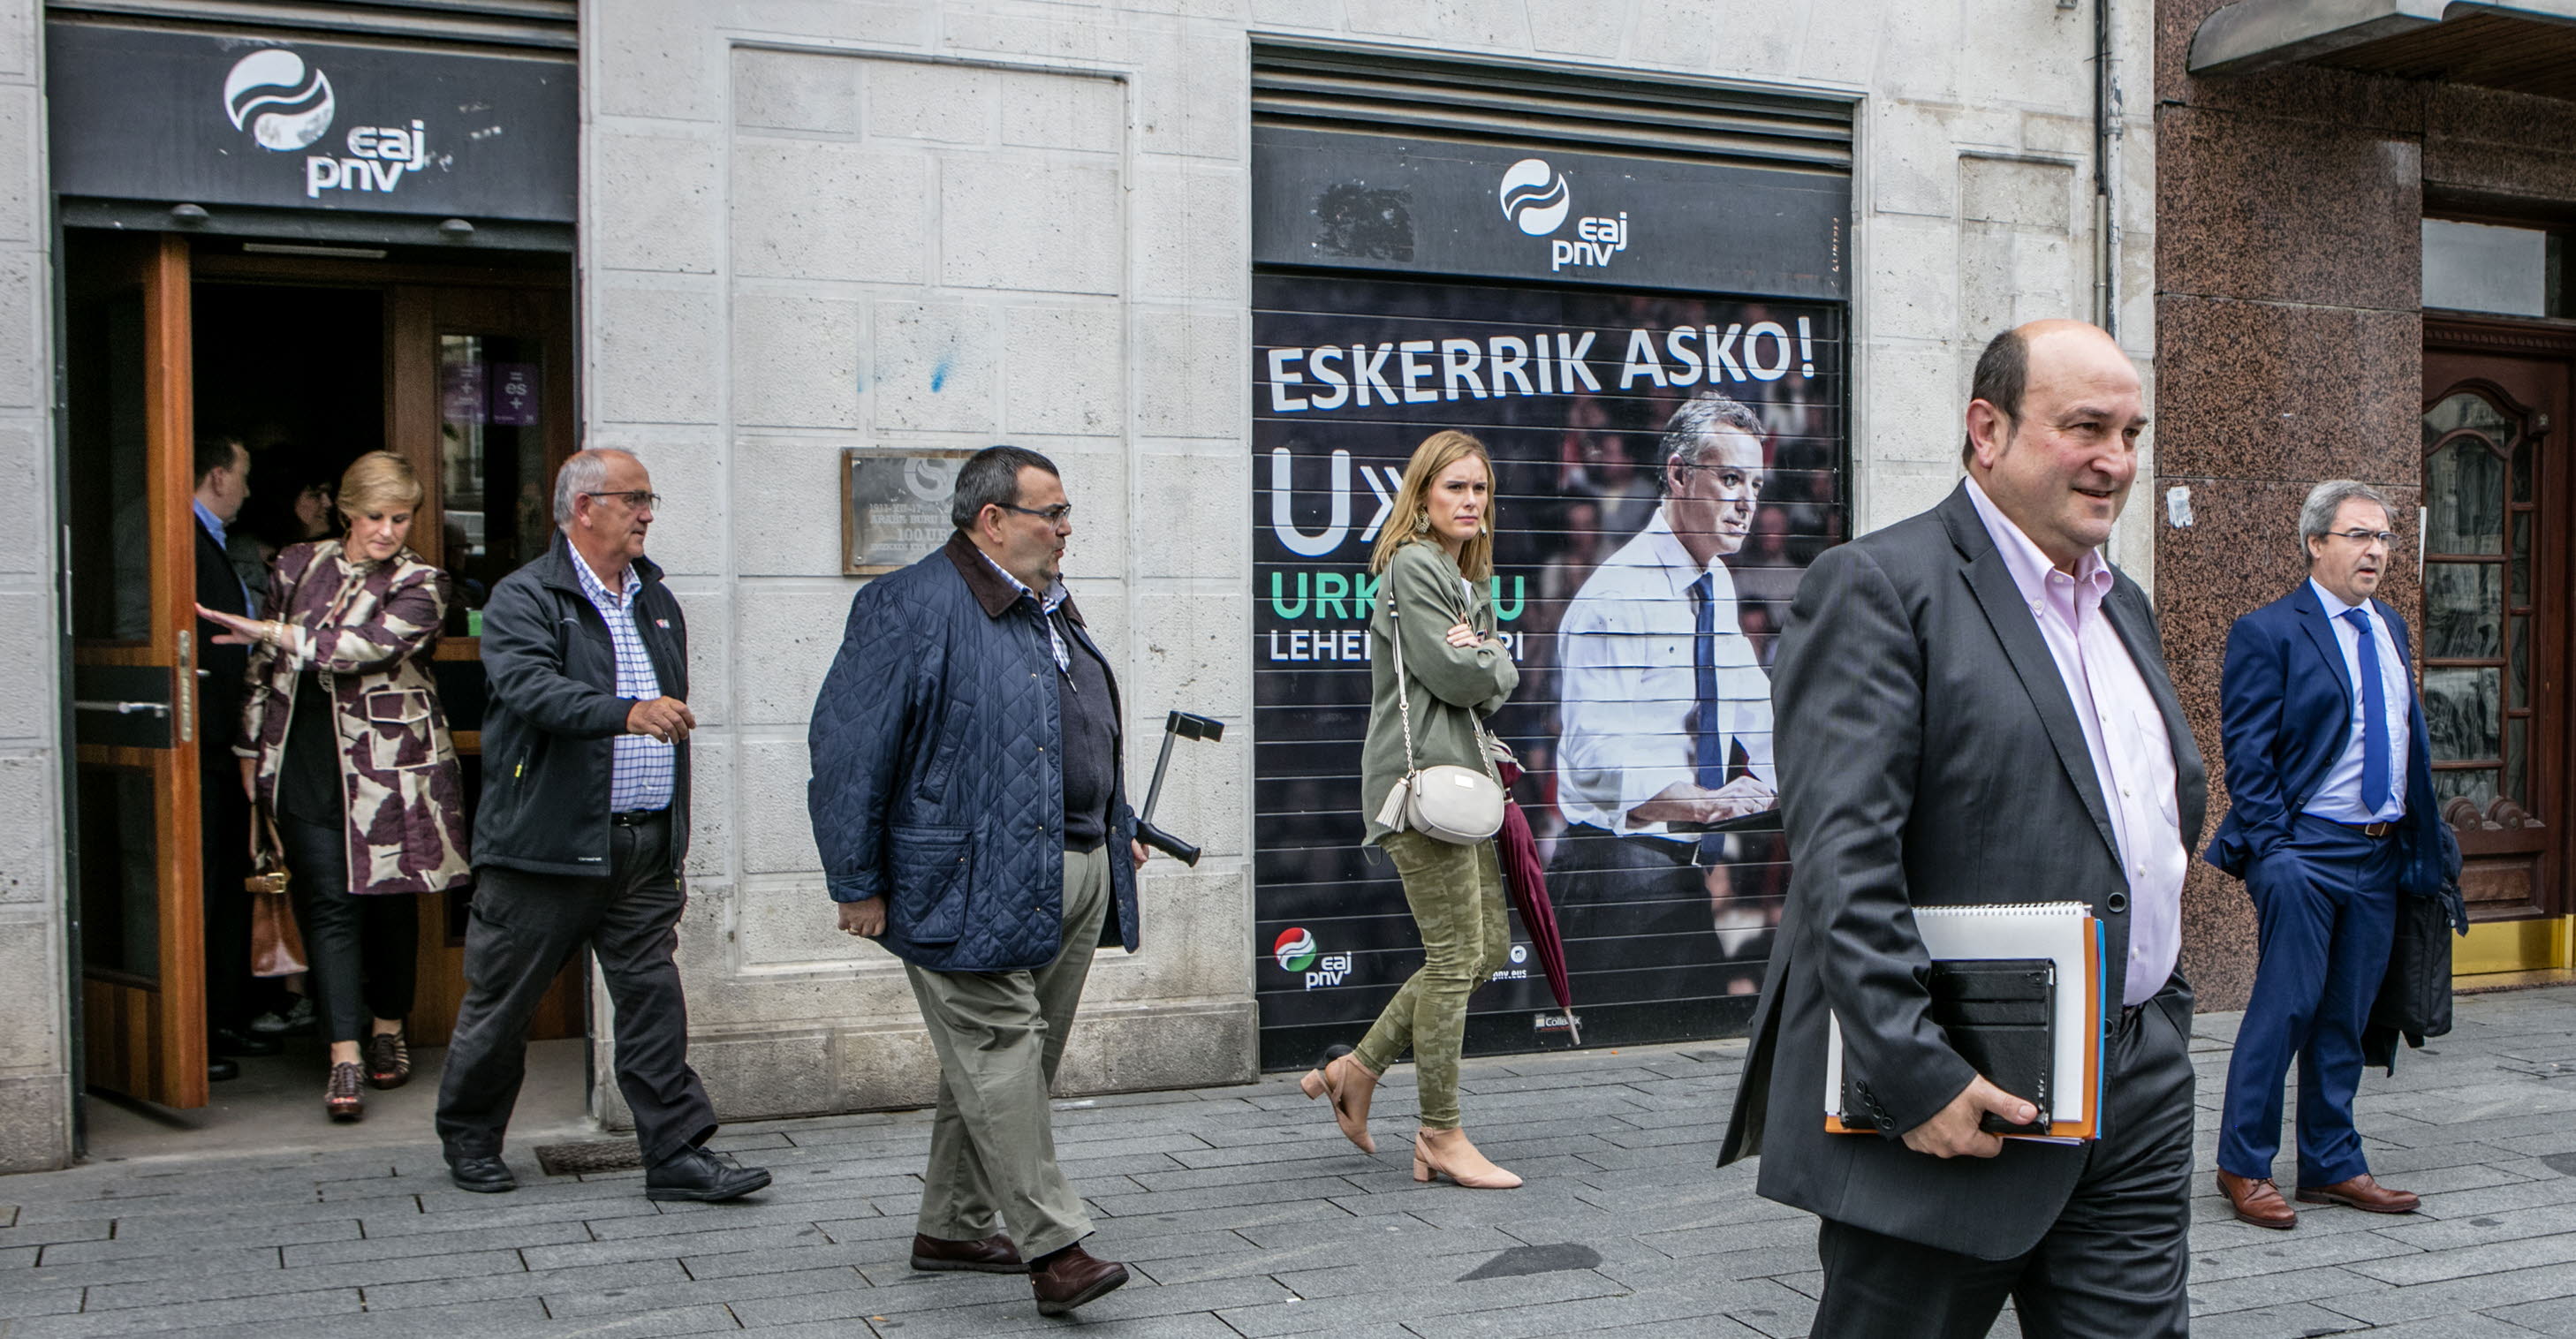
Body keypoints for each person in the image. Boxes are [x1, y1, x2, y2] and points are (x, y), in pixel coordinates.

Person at [1718, 321, 2206, 1337]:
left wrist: (2161, 1016)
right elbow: (1845, 860)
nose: (2115, 459)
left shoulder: (2128, 610)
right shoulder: (1880, 587)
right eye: (2085, 427)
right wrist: (1916, 1072)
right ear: (1986, 429)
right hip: (1958, 1092)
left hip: (2135, 1087)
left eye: (2131, 432)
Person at [808, 445, 1147, 1317]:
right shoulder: (907, 604)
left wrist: (1119, 827)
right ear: (991, 519)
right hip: (959, 877)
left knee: (1012, 1066)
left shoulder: (1049, 605)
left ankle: (954, 1225)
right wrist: (856, 879)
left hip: (1070, 867)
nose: (1068, 528)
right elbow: (848, 751)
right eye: (1052, 512)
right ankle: (1057, 1248)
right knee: (1000, 1051)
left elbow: (1072, 727)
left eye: (1068, 513)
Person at [435, 448, 768, 1203]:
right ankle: (471, 1138)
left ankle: (677, 1152)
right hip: (543, 847)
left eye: (650, 499)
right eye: (634, 498)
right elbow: (532, 692)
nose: (648, 513)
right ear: (585, 508)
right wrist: (629, 714)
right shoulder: (526, 597)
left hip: (643, 843)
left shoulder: (655, 598)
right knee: (504, 1000)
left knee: (652, 998)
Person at [2203, 480, 2458, 1229]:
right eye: (2358, 535)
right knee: (2285, 1008)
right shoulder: (2270, 631)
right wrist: (2276, 850)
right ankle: (2242, 1165)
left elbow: (2404, 742)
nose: (2376, 550)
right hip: (2303, 851)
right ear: (2316, 544)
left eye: (2382, 536)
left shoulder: (2391, 629)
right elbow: (2245, 753)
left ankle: (2331, 1163)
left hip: (2377, 856)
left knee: (2346, 1016)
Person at [205, 451, 470, 1121]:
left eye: (400, 518)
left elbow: (370, 647)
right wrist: (249, 747)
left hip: (392, 769)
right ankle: (343, 1052)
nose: (387, 531)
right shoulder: (296, 565)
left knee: (389, 901)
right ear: (347, 510)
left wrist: (271, 631)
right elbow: (263, 670)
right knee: (327, 901)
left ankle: (388, 1030)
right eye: (375, 516)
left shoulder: (425, 581)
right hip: (306, 758)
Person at [1300, 429, 1524, 1191]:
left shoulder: (1466, 580)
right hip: (1419, 786)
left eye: (1480, 490)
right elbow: (1467, 677)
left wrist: (1486, 657)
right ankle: (1439, 1132)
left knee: (1486, 949)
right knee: (1458, 956)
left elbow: (1483, 669)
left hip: (1461, 783)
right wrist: (1492, 657)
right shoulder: (1414, 566)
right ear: (1422, 497)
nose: (1470, 502)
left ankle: (1356, 1071)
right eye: (1455, 488)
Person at [1551, 391, 1780, 994]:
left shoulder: (1715, 581)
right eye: (1730, 478)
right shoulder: (1618, 597)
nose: (1746, 503)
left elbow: (1755, 709)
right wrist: (1704, 804)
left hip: (1679, 871)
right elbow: (1595, 765)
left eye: (1755, 485)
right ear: (1678, 475)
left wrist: (1798, 777)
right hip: (1614, 877)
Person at [188, 434, 278, 1081]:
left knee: (225, 881)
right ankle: (193, 1037)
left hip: (230, 743)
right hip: (199, 741)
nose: (247, 490)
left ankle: (221, 1019)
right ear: (218, 476)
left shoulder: (213, 540)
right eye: (242, 476)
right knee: (200, 885)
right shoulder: (175, 536)